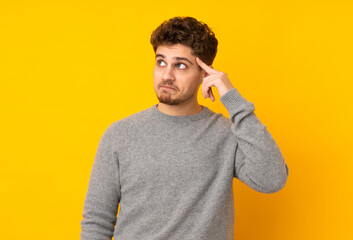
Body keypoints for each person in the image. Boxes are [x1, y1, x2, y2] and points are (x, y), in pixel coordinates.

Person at [80, 16, 289, 240]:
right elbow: (97, 221)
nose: (167, 75)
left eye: (180, 65)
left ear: (204, 74)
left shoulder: (226, 134)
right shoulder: (119, 135)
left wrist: (232, 99)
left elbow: (272, 179)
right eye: (161, 62)